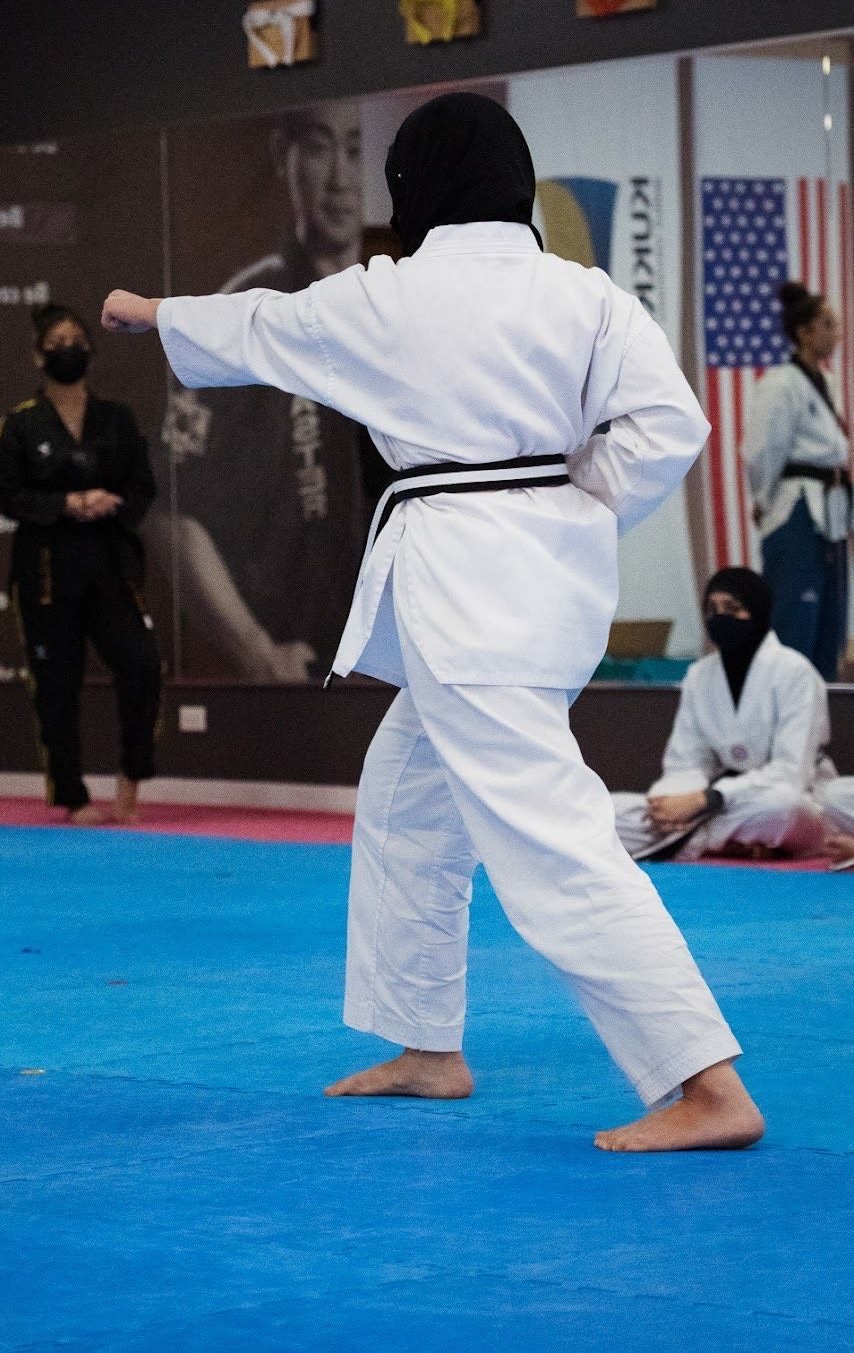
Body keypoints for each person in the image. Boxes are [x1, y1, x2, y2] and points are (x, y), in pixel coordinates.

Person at [102, 91, 762, 1155]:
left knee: (549, 838)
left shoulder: (391, 294)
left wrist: (153, 311)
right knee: (409, 802)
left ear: (414, 190)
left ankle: (704, 1079)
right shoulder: (582, 293)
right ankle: (425, 1044)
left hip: (465, 590)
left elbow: (270, 325)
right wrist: (577, 497)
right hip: (546, 581)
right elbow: (669, 427)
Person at [160, 104, 372, 681]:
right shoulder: (246, 310)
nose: (341, 178)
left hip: (390, 663)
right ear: (285, 158)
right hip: (297, 670)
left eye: (354, 149)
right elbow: (172, 512)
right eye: (320, 148)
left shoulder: (395, 303)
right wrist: (256, 652)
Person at [0, 304, 161, 826]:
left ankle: (131, 779)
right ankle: (73, 794)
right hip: (46, 571)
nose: (68, 347)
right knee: (56, 683)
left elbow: (142, 486)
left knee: (141, 666)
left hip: (108, 564)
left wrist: (111, 504)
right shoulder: (19, 424)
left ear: (90, 350)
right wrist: (66, 504)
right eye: (57, 340)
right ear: (39, 356)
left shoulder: (116, 419)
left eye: (76, 338)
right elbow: (9, 493)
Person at [613, 567, 831, 863]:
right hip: (717, 807)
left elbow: (790, 774)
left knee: (784, 807)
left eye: (733, 609)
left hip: (785, 799)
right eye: (712, 610)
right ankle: (726, 841)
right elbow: (685, 762)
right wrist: (672, 803)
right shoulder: (700, 675)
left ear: (758, 612)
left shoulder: (795, 672)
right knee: (613, 811)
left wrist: (710, 800)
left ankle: (697, 840)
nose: (721, 618)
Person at [744, 282, 851, 680]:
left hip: (831, 508)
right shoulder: (781, 382)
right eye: (827, 324)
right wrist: (762, 498)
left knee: (831, 625)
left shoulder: (829, 383)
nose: (836, 333)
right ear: (803, 331)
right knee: (795, 621)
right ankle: (783, 725)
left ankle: (818, 730)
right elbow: (761, 449)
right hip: (797, 507)